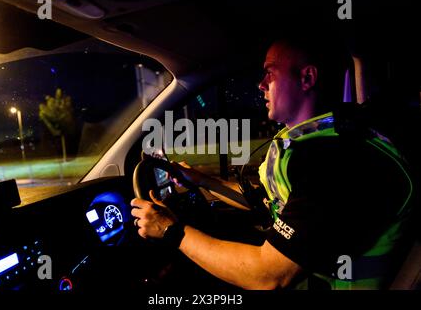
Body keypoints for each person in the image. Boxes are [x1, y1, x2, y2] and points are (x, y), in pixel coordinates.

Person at [131, 37, 415, 290]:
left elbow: (267, 277)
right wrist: (201, 180)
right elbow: (272, 200)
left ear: (307, 78)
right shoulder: (323, 137)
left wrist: (171, 231)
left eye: (269, 72)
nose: (260, 84)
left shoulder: (334, 160)